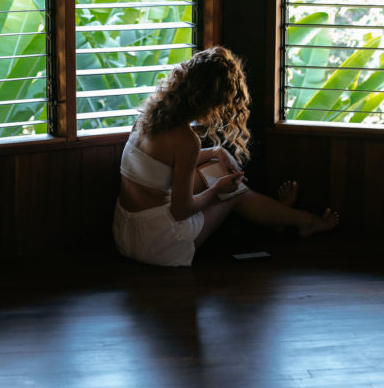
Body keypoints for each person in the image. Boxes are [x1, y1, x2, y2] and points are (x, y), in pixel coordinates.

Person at [112, 46, 340, 267]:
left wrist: (217, 151)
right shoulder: (186, 140)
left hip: (125, 235)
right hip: (158, 246)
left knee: (213, 166)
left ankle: (281, 217)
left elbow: (161, 164)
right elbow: (181, 210)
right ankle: (305, 220)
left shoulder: (147, 116)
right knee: (234, 193)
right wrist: (217, 189)